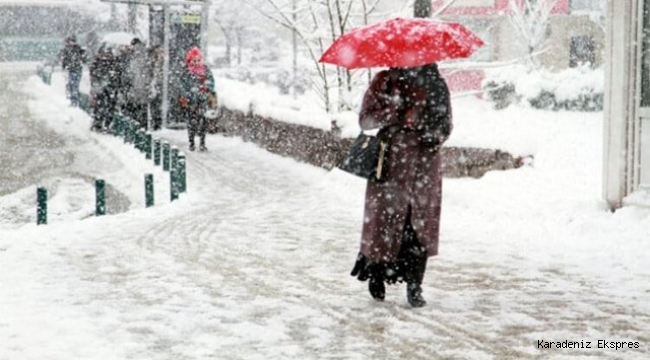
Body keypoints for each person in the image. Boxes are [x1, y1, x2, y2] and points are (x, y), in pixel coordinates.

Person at [350, 63, 453, 307]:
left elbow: (446, 125)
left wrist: (430, 133)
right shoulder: (385, 81)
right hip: (390, 163)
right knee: (383, 223)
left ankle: (415, 285)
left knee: (418, 226)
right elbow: (365, 121)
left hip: (424, 165)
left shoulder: (436, 84)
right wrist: (394, 113)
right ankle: (377, 273)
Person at [179, 46, 216, 152]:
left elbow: (211, 82)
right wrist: (188, 93)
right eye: (194, 60)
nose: (196, 62)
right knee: (191, 121)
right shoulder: (186, 71)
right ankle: (191, 142)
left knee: (203, 121)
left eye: (198, 60)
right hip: (190, 101)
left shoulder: (205, 69)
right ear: (190, 60)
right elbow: (182, 85)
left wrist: (206, 87)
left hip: (202, 100)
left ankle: (202, 143)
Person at [89, 44, 120, 132]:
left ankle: (101, 123)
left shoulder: (109, 62)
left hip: (106, 87)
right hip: (105, 87)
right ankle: (103, 123)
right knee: (105, 106)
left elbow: (93, 74)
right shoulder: (110, 62)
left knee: (104, 106)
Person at [123, 38, 150, 129]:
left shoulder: (133, 57)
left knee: (133, 111)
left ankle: (135, 129)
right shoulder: (145, 56)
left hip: (135, 88)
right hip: (141, 89)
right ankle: (142, 129)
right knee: (141, 111)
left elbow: (127, 73)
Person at [59, 35, 87, 107]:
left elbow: (84, 58)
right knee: (71, 85)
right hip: (71, 70)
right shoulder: (67, 50)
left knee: (75, 85)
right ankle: (74, 100)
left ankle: (75, 100)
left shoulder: (78, 49)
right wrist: (64, 66)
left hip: (76, 69)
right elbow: (64, 59)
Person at [148, 45, 164, 131]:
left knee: (158, 104)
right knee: (154, 104)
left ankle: (158, 122)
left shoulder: (163, 62)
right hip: (153, 85)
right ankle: (154, 121)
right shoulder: (152, 61)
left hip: (159, 86)